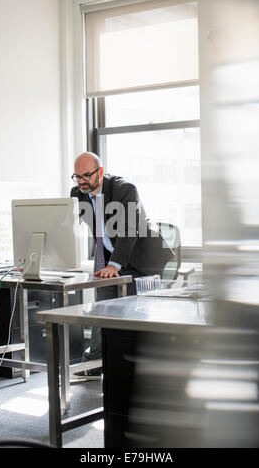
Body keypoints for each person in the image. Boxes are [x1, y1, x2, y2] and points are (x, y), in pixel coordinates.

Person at [70, 152, 174, 377]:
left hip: (143, 259)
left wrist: (114, 265)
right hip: (111, 258)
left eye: (86, 176)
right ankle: (96, 362)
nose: (81, 182)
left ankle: (142, 367)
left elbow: (128, 231)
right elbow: (86, 231)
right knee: (102, 308)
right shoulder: (77, 194)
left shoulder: (125, 189)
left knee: (135, 312)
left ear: (100, 172)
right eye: (76, 176)